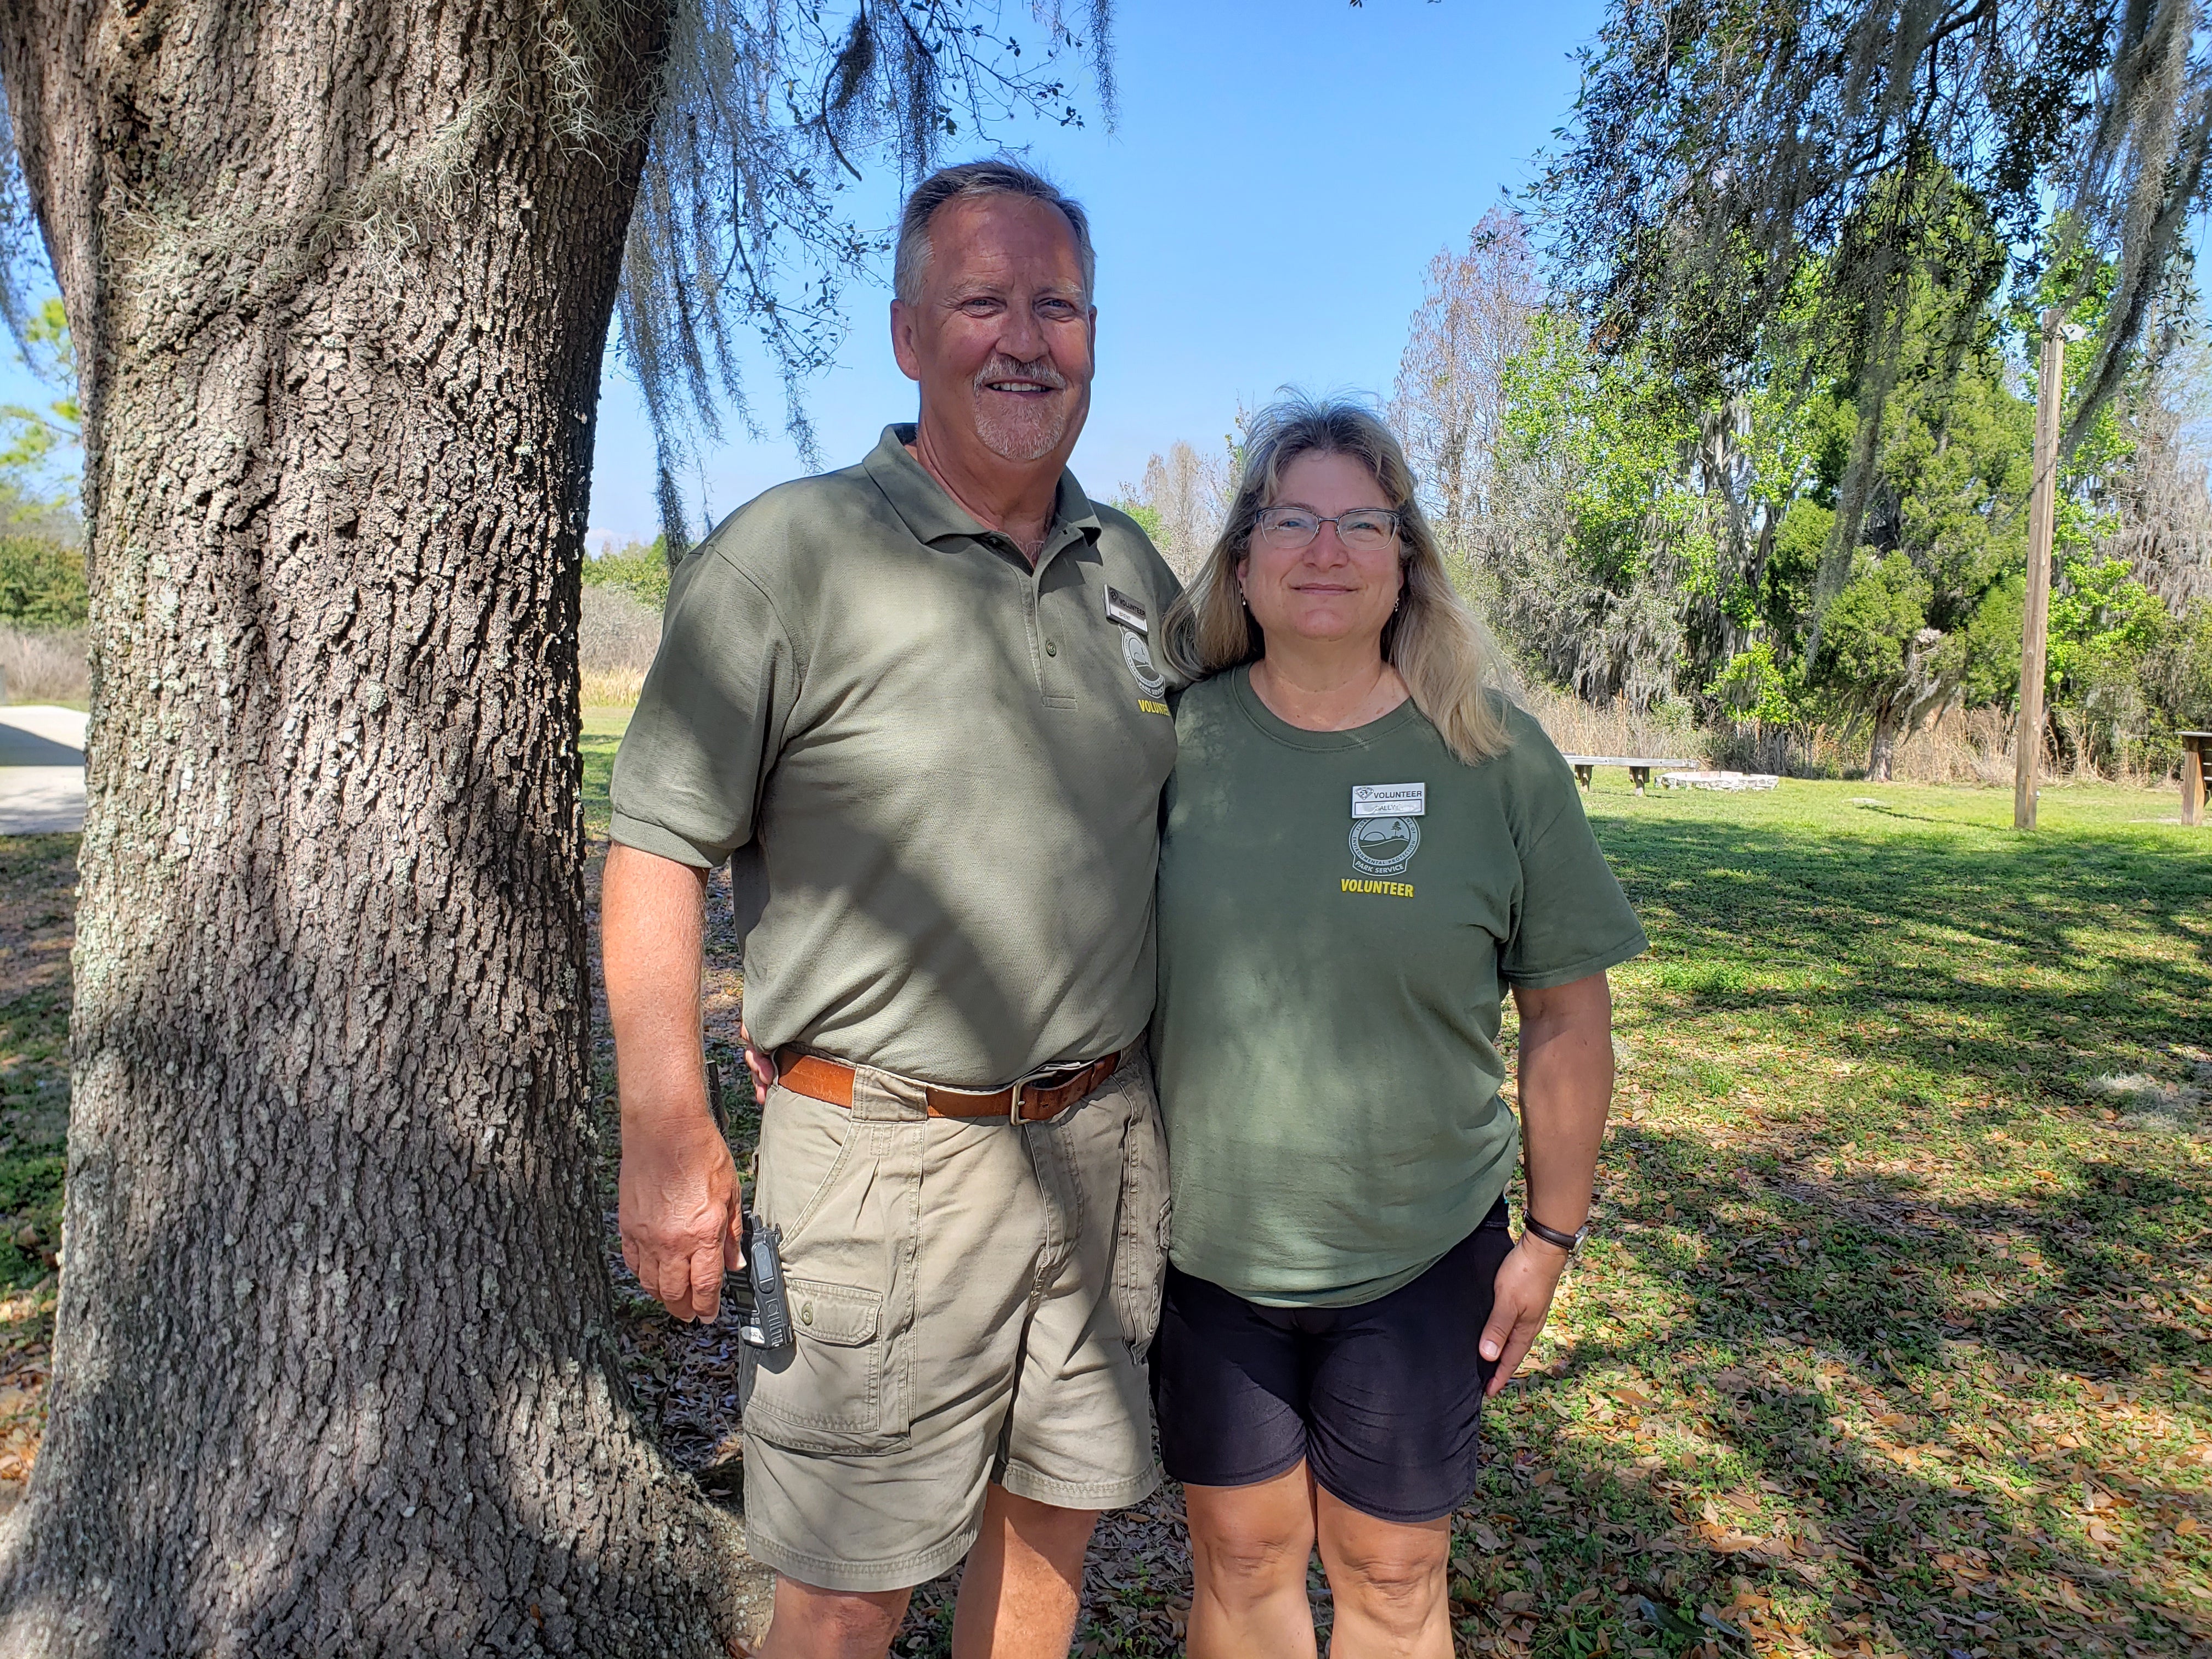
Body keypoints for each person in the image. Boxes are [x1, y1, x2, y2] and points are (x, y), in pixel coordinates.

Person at [600, 160, 1181, 1659]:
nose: (1025, 338)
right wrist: (669, 1133)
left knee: (1052, 1530)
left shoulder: (1133, 573)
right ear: (909, 334)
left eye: (1057, 304)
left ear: (1096, 332)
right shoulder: (788, 559)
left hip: (1104, 1147)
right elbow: (656, 844)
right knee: (849, 1590)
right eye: (982, 300)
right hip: (879, 1165)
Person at [1149, 397, 1645, 1659]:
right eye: (1294, 520)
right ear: (1245, 562)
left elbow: (1567, 1016)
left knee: (1388, 1572)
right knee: (1243, 1554)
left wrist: (1552, 1236)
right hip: (1207, 1247)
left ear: (1407, 559)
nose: (1328, 549)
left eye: (1362, 522)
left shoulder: (1496, 754)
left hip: (1423, 1251)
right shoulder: (1166, 746)